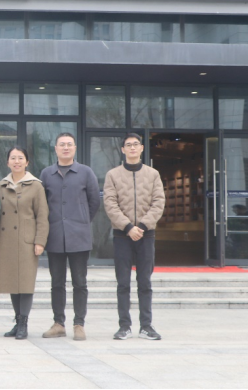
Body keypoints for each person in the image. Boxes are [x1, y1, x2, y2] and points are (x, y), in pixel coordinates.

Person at [103, 133, 166, 341]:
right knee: (123, 283)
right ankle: (124, 326)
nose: (132, 148)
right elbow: (110, 204)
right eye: (128, 145)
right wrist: (129, 227)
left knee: (145, 282)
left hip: (146, 235)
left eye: (135, 144)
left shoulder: (153, 174)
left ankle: (146, 326)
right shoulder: (113, 175)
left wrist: (142, 226)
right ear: (123, 150)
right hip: (122, 235)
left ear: (141, 148)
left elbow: (158, 203)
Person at [39, 133, 101, 342]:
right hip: (55, 235)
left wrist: (81, 221)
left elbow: (94, 201)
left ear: (74, 148)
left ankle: (79, 324)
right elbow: (41, 204)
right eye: (62, 144)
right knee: (57, 283)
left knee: (79, 283)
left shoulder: (85, 172)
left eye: (69, 144)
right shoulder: (47, 174)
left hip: (79, 236)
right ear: (55, 148)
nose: (65, 147)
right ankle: (58, 323)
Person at [0, 147, 49, 340]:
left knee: (25, 282)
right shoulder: (0, 185)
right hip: (5, 239)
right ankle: (17, 322)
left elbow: (42, 216)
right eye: (13, 158)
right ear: (7, 162)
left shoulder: (36, 186)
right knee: (11, 281)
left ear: (27, 162)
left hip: (27, 240)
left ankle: (24, 323)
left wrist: (40, 241)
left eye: (20, 158)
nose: (17, 161)